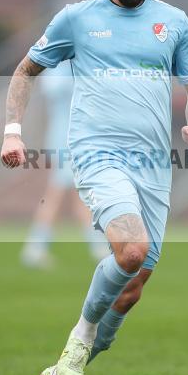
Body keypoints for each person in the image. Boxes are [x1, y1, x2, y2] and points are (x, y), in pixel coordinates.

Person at [0, 0, 188, 375]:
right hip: (96, 155)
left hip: (154, 166)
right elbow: (24, 71)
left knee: (133, 286)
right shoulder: (78, 19)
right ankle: (75, 349)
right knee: (131, 250)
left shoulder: (174, 22)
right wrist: (12, 131)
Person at [20, 63, 111, 269]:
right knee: (59, 191)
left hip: (79, 138)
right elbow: (54, 89)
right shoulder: (60, 63)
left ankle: (97, 246)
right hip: (65, 138)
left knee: (79, 193)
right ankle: (36, 247)